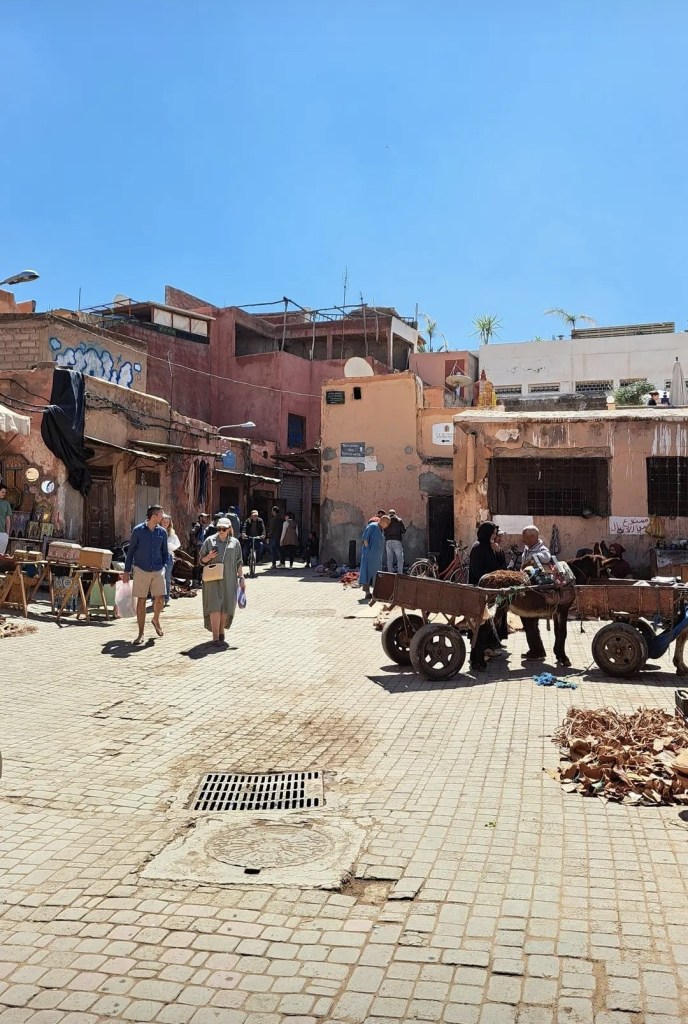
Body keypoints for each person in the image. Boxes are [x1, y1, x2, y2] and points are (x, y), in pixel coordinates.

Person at [123, 505, 169, 643]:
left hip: (158, 569)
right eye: (161, 514)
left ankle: (156, 619)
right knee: (141, 600)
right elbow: (130, 552)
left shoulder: (162, 532)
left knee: (160, 598)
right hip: (141, 569)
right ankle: (141, 633)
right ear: (154, 516)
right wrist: (126, 571)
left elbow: (165, 552)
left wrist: (165, 566)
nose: (164, 517)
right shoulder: (138, 531)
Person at [198, 517, 245, 646]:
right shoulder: (209, 540)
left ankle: (221, 630)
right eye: (219, 529)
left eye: (224, 529)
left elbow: (239, 562)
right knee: (214, 606)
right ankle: (215, 638)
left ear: (229, 529)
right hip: (212, 579)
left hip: (229, 579)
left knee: (226, 606)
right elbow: (201, 561)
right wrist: (209, 557)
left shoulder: (235, 543)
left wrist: (241, 578)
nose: (221, 531)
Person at [359, 515, 389, 598]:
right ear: (383, 521)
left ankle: (376, 592)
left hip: (376, 557)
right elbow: (365, 538)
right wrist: (368, 550)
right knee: (367, 573)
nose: (387, 526)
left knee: (376, 574)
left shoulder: (381, 529)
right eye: (387, 523)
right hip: (369, 556)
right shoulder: (372, 526)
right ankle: (367, 593)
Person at [161, 514, 181, 606]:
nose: (165, 523)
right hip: (158, 556)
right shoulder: (156, 531)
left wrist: (167, 545)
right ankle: (156, 597)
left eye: (167, 522)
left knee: (167, 577)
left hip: (168, 556)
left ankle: (166, 597)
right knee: (157, 577)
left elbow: (177, 545)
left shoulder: (172, 533)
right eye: (164, 521)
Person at [189, 513, 211, 585]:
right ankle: (194, 583)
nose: (205, 519)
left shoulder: (201, 526)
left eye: (206, 518)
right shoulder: (198, 525)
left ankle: (197, 581)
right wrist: (195, 542)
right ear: (200, 518)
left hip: (199, 548)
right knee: (196, 565)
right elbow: (192, 533)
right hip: (197, 548)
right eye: (204, 518)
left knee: (199, 565)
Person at [384, 508, 406, 574]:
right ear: (395, 513)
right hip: (397, 541)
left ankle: (390, 573)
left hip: (388, 541)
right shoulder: (399, 520)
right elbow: (403, 530)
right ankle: (400, 573)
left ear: (389, 514)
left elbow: (384, 531)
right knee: (400, 559)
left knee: (389, 559)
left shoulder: (386, 521)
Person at [0, 484, 12, 556]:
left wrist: (7, 534)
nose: (4, 494)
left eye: (5, 492)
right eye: (2, 492)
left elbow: (8, 520)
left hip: (2, 534)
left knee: (1, 557)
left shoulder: (6, 504)